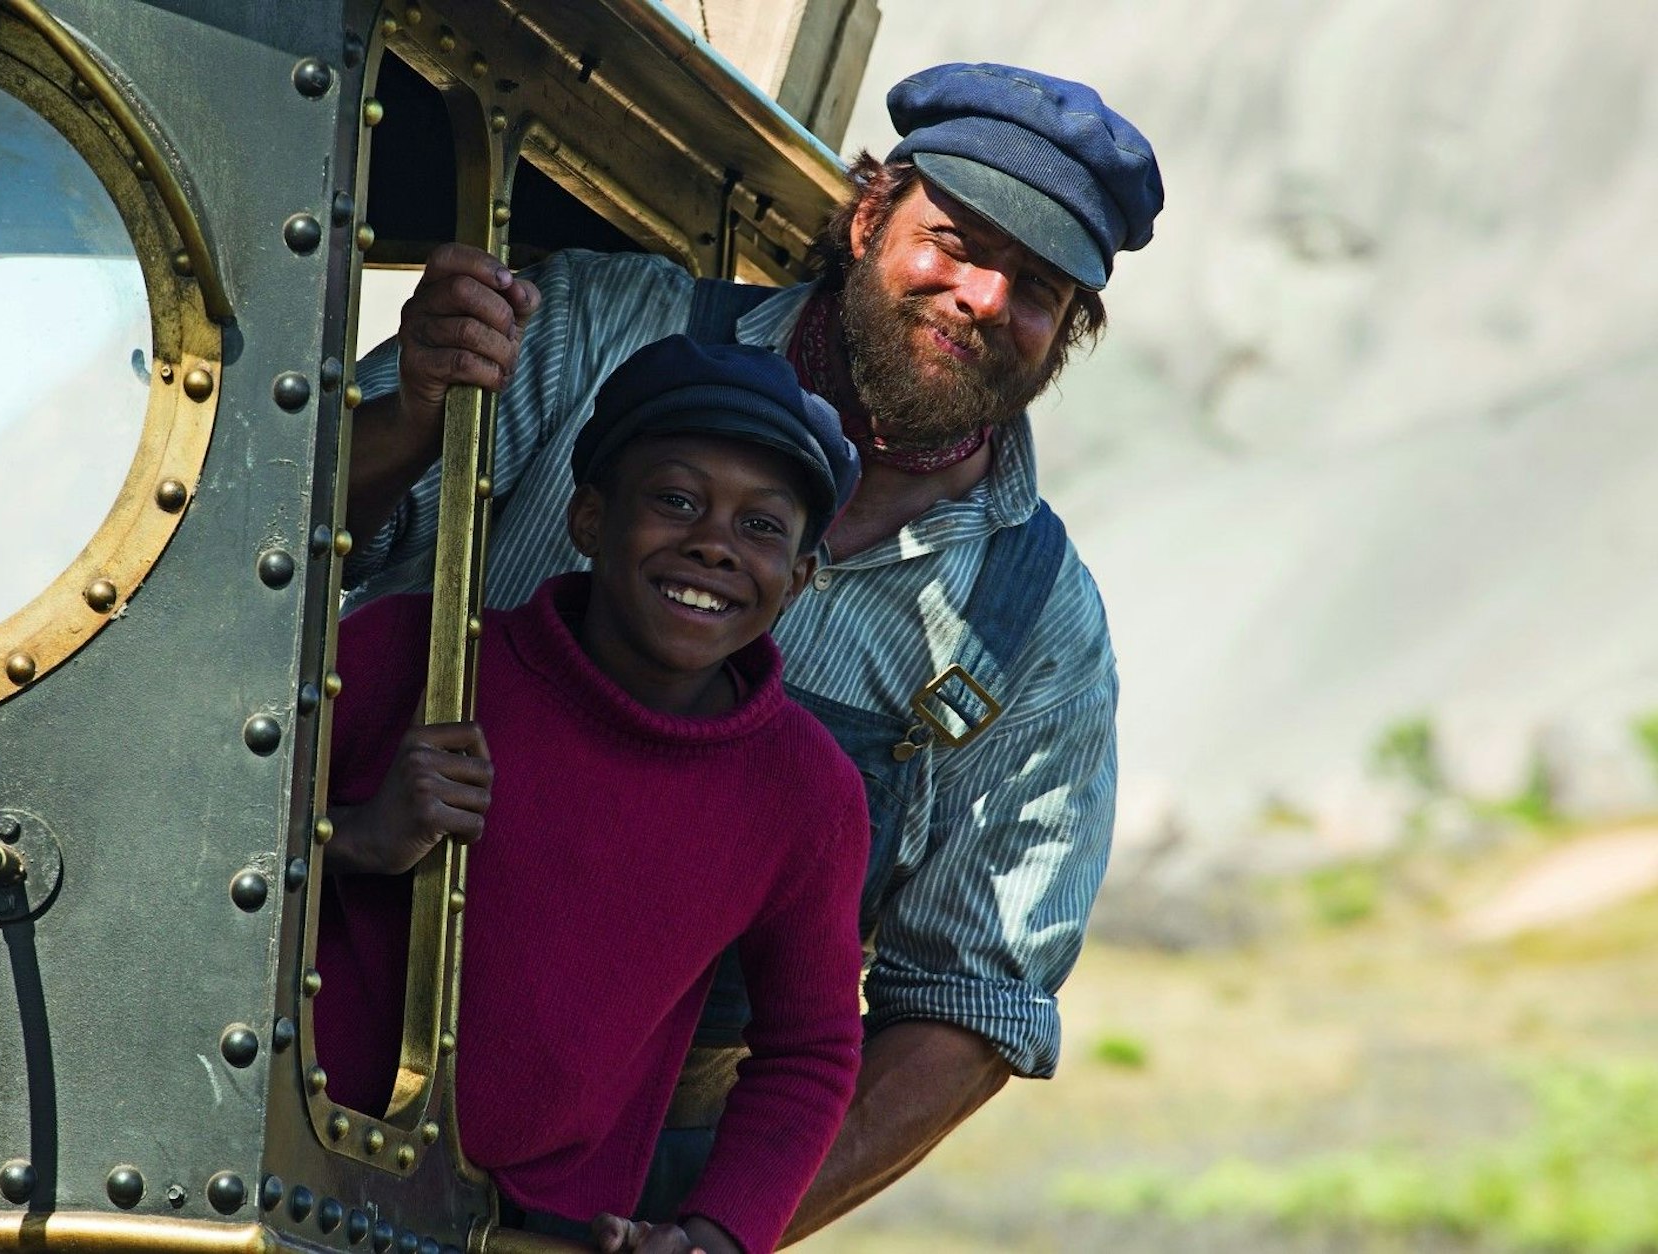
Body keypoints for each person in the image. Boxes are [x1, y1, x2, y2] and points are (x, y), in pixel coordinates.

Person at [341, 63, 1165, 1240]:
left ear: (1070, 332)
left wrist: (722, 1228)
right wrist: (413, 408)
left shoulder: (1034, 627)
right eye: (954, 239)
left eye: (1035, 286)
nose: (981, 294)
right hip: (328, 1056)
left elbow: (970, 1000)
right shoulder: (590, 333)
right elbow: (293, 554)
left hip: (632, 1174)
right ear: (868, 215)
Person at [315, 334, 870, 1254]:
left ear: (801, 579)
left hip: (538, 1234)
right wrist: (357, 838)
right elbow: (198, 839)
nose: (714, 545)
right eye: (676, 500)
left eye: (761, 527)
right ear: (587, 519)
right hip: (291, 1163)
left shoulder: (807, 793)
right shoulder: (411, 652)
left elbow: (809, 1051)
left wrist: (720, 1233)